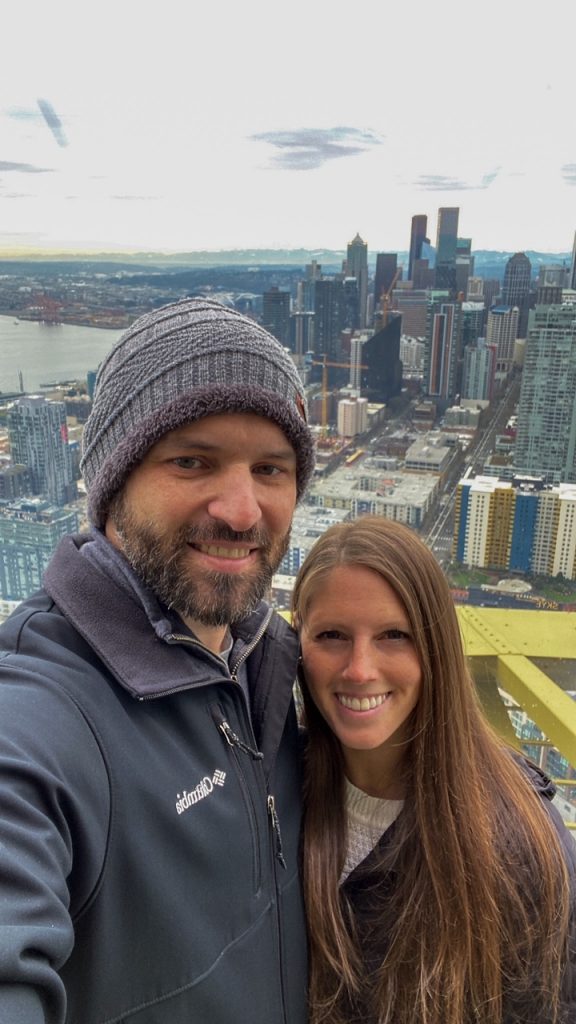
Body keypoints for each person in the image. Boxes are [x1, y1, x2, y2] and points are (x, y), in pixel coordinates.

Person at [0, 297, 316, 1024]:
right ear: (113, 488)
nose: (242, 510)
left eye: (271, 468)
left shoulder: (270, 662)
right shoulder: (43, 715)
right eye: (191, 461)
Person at [291, 515, 576, 1024]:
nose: (359, 669)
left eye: (393, 635)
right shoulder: (276, 789)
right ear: (298, 645)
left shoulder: (520, 847)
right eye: (331, 635)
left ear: (436, 649)